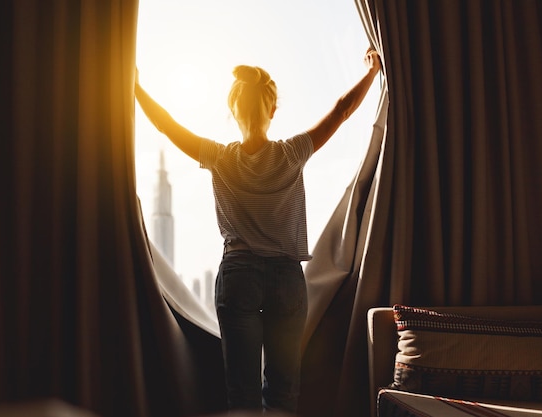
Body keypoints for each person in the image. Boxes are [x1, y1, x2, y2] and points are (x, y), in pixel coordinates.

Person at [134, 48, 381, 414]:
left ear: (233, 111)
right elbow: (342, 109)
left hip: (238, 277)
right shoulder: (293, 152)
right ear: (272, 110)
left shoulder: (218, 156)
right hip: (286, 278)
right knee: (282, 396)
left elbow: (167, 125)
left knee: (242, 397)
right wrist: (373, 70)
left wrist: (136, 89)